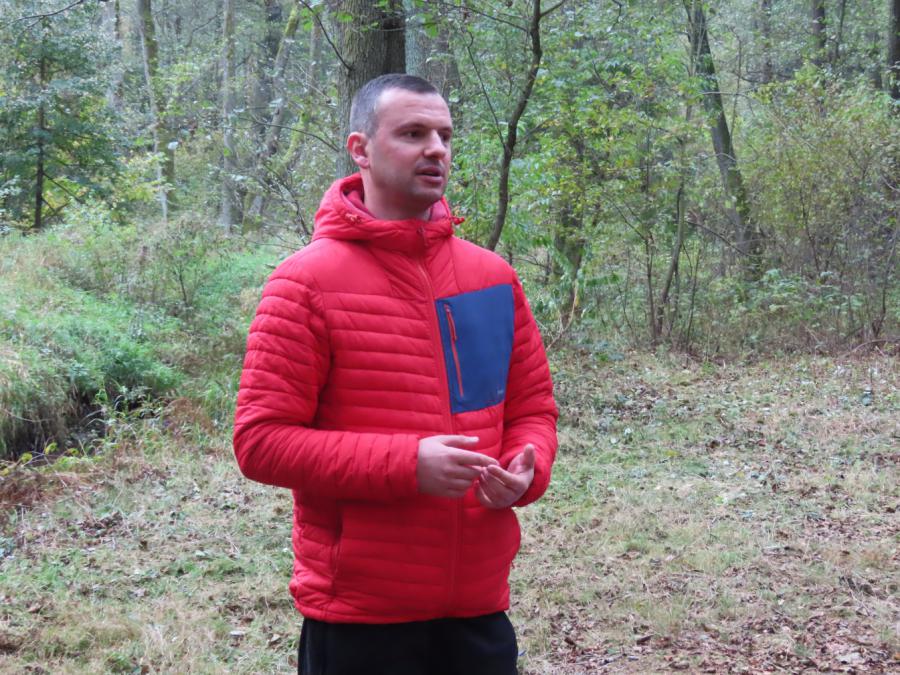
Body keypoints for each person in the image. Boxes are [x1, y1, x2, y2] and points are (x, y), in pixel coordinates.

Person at [233, 74, 558, 675]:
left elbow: (531, 408)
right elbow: (260, 442)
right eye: (413, 133)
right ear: (361, 149)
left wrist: (526, 468)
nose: (436, 149)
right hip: (361, 618)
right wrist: (408, 465)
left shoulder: (492, 277)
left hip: (477, 609)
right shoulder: (304, 283)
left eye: (444, 136)